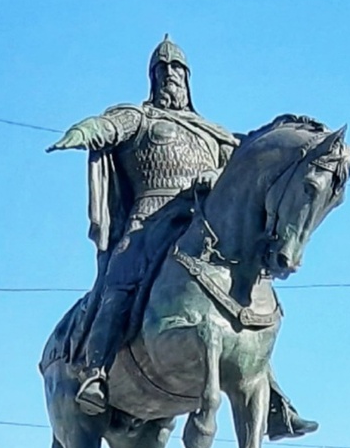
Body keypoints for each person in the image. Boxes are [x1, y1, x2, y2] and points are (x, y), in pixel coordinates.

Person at [47, 36, 238, 413]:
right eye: (163, 69)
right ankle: (96, 374)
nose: (171, 75)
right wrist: (86, 131)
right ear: (153, 77)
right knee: (119, 283)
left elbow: (239, 172)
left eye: (178, 69)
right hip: (147, 220)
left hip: (199, 220)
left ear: (188, 78)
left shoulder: (213, 133)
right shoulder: (139, 117)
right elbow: (108, 128)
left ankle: (270, 393)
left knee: (245, 285)